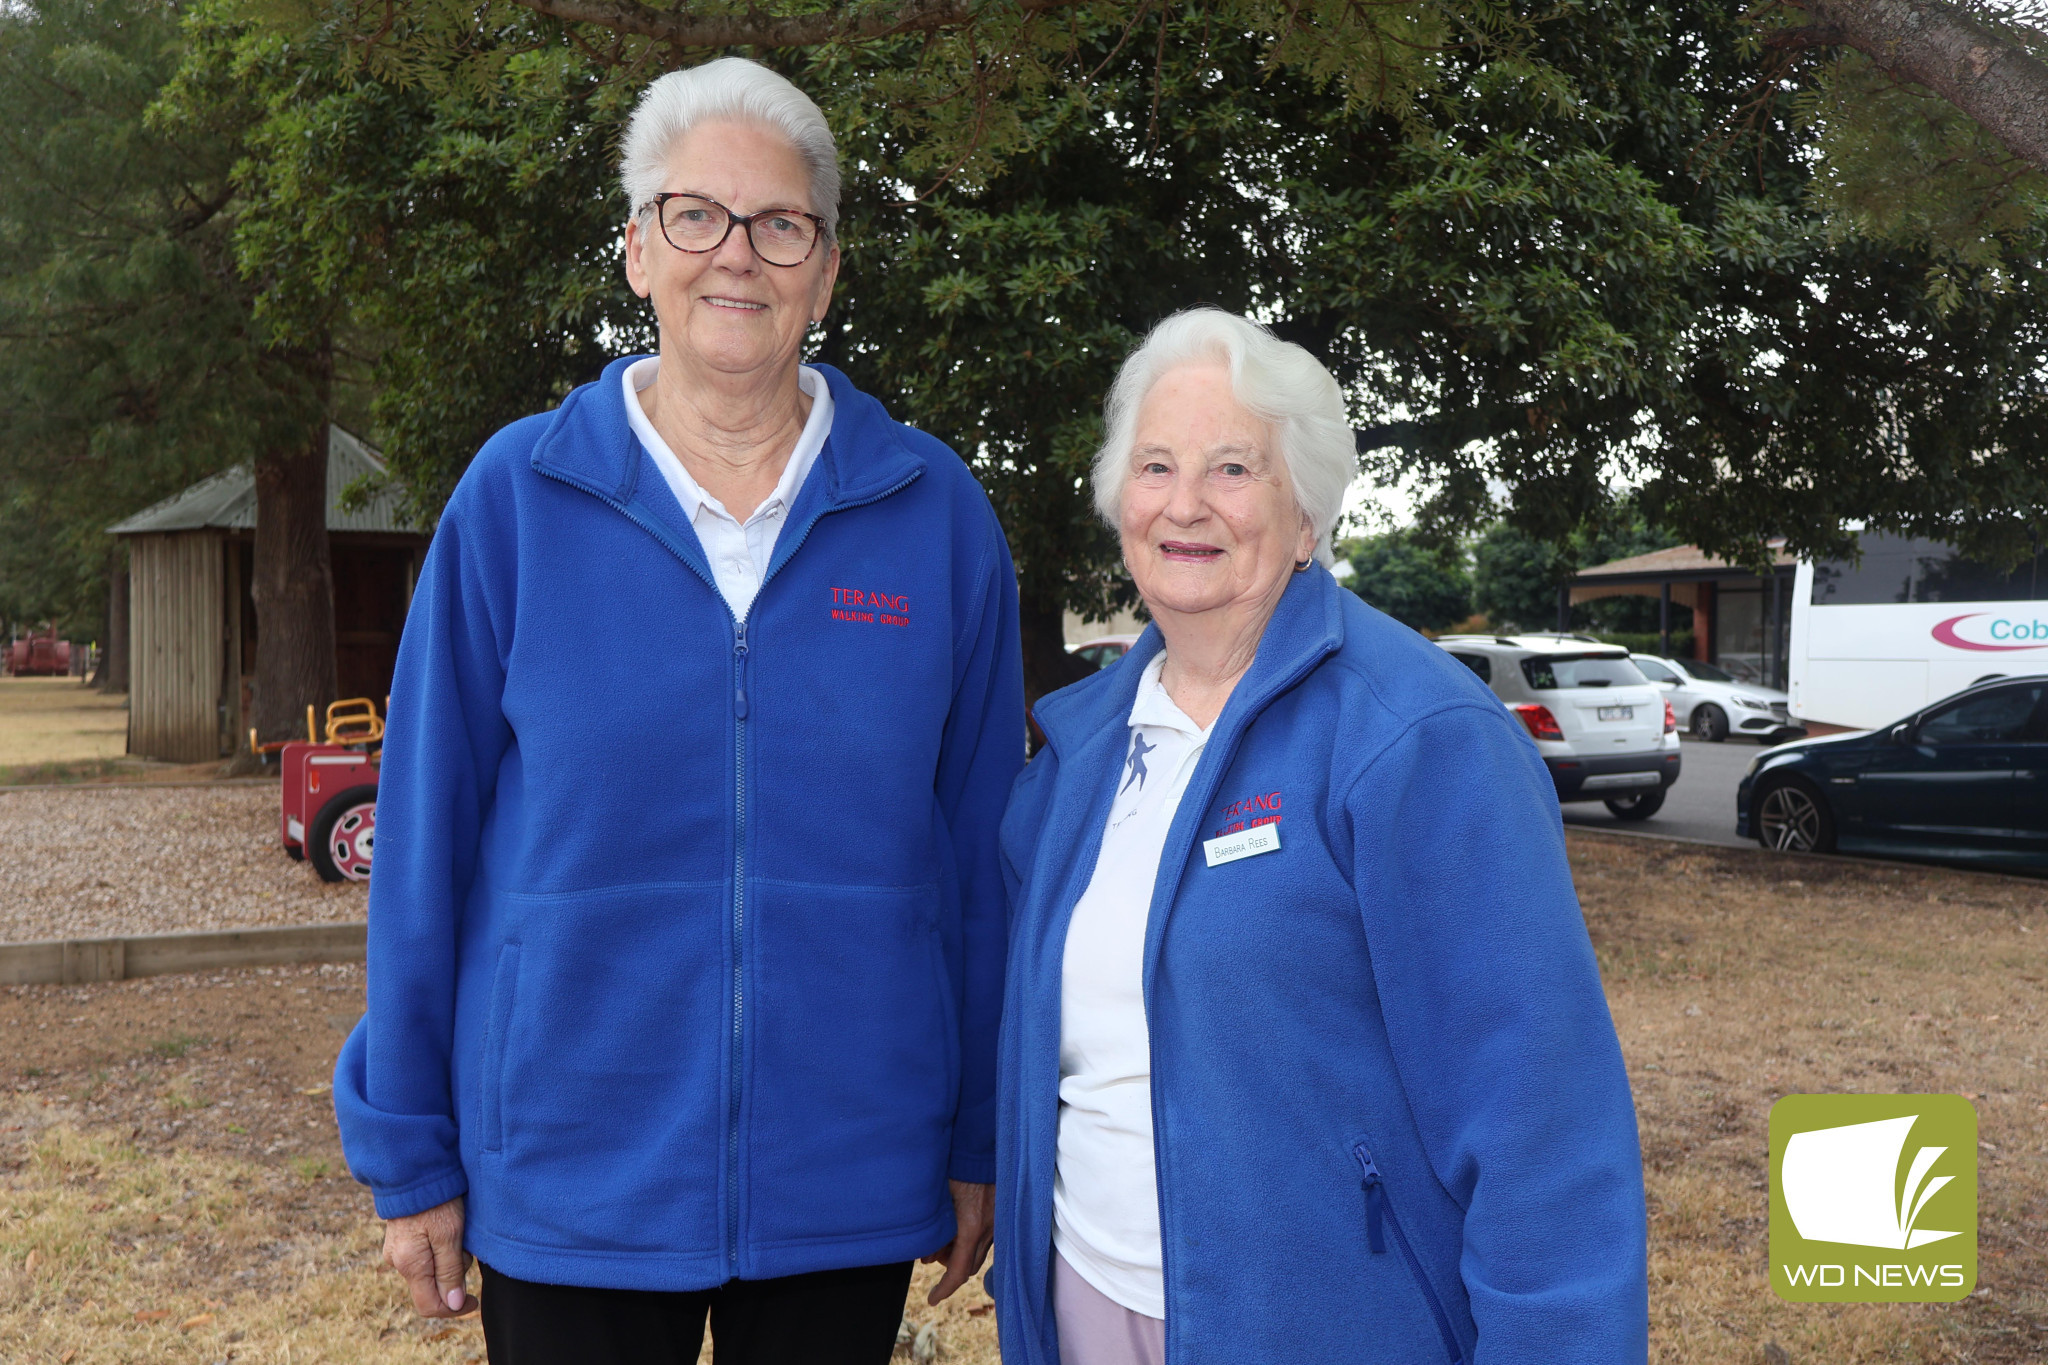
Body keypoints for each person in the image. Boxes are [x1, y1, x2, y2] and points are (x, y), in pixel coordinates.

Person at [333, 57, 1024, 1365]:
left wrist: (980, 1128)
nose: (738, 257)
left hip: (849, 1174)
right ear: (639, 248)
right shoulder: (514, 501)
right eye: (695, 215)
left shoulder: (933, 513)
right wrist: (409, 1148)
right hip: (570, 1170)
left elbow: (981, 852)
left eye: (782, 225)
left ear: (825, 269)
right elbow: (422, 847)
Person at [990, 308, 1647, 1365]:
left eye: (1233, 469)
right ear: (1119, 500)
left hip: (1322, 1324)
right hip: (1083, 1306)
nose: (1185, 504)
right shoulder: (1077, 754)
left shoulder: (1415, 740)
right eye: (1154, 466)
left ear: (1306, 516)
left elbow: (1539, 1122)